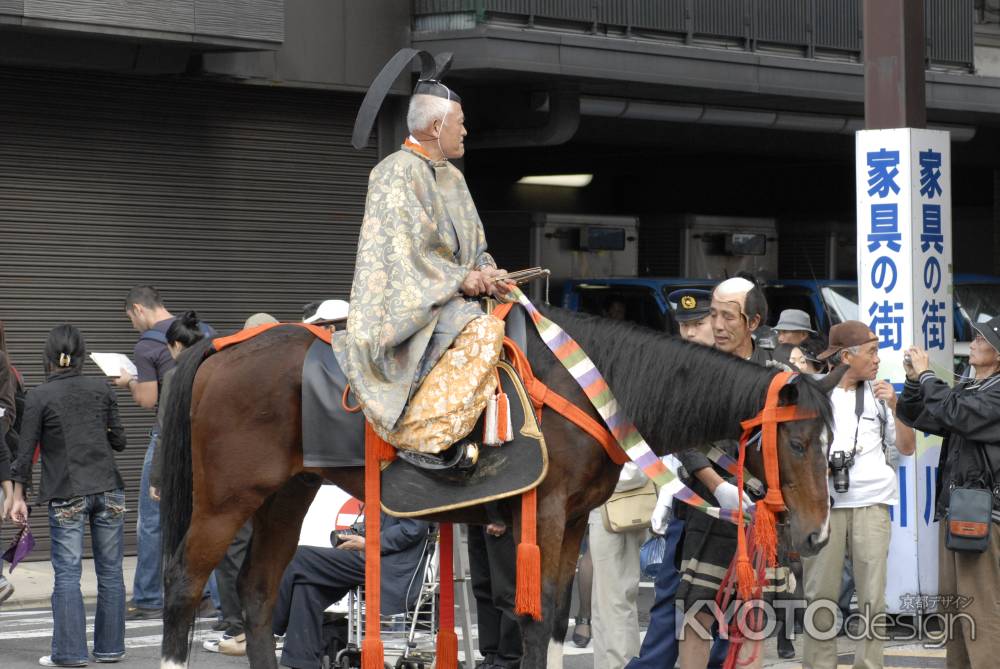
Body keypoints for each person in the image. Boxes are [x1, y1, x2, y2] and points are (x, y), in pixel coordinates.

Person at [333, 50, 513, 471]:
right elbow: (402, 256)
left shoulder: (452, 175)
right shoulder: (393, 172)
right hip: (404, 311)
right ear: (436, 126)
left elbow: (471, 246)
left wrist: (486, 270)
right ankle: (423, 438)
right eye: (460, 123)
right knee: (484, 331)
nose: (466, 131)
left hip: (446, 298)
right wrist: (460, 279)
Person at [675, 277, 786, 669]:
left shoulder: (778, 375)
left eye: (729, 316)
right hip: (709, 507)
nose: (718, 325)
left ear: (753, 322)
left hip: (762, 512)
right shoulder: (694, 368)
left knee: (752, 619)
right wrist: (719, 487)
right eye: (714, 314)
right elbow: (683, 436)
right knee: (695, 617)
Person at [9, 325, 128, 666]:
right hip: (109, 489)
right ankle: (110, 649)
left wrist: (17, 497)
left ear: (49, 357)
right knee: (110, 571)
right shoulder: (102, 389)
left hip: (67, 493)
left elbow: (25, 452)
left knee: (68, 573)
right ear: (81, 355)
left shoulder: (39, 396)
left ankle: (70, 653)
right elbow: (119, 441)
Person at [801, 321, 915, 669]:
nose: (877, 359)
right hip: (824, 507)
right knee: (819, 596)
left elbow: (908, 448)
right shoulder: (814, 393)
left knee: (872, 599)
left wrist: (896, 406)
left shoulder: (881, 396)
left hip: (872, 505)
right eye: (872, 352)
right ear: (846, 356)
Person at [628, 288, 727, 669]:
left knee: (730, 602)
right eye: (684, 325)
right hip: (689, 494)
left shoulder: (736, 368)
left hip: (735, 494)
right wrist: (668, 493)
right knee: (672, 592)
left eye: (698, 324)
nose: (689, 333)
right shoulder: (676, 369)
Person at [896, 316, 1000, 669]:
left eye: (980, 338)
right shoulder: (971, 388)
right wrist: (913, 381)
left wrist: (927, 376)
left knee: (982, 608)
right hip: (958, 510)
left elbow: (957, 414)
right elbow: (919, 414)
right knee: (955, 607)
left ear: (998, 353)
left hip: (985, 515)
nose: (972, 342)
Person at [115, 286, 214, 619]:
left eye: (130, 318)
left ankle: (147, 597)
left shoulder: (146, 346)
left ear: (139, 309)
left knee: (152, 521)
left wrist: (127, 381)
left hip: (169, 437)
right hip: (207, 435)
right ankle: (207, 595)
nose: (133, 325)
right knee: (201, 515)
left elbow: (147, 400)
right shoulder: (203, 331)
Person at [272, 513, 431, 669]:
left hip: (388, 564)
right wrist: (360, 534)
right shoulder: (391, 487)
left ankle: (267, 629)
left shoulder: (408, 488)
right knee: (306, 585)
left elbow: (413, 529)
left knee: (297, 557)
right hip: (372, 556)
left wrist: (368, 542)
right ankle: (302, 663)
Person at [589, 463, 649, 669]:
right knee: (604, 603)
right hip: (606, 507)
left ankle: (623, 665)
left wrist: (589, 478)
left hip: (615, 506)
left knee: (615, 600)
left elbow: (637, 470)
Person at [468, 523, 522, 669]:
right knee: (483, 586)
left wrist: (498, 515)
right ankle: (491, 655)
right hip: (476, 511)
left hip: (501, 508)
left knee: (506, 589)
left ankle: (508, 659)